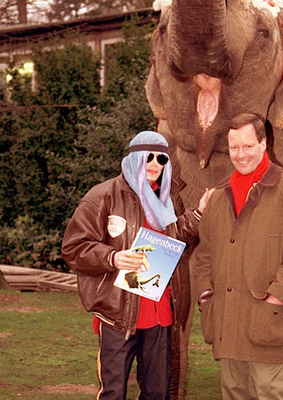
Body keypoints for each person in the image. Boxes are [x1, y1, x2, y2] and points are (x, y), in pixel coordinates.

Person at [61, 130, 212, 400]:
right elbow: (74, 247)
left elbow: (175, 239)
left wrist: (198, 213)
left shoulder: (167, 198)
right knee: (114, 392)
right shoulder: (103, 196)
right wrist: (113, 257)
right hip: (118, 316)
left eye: (161, 159)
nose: (155, 164)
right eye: (148, 157)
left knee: (157, 392)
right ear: (133, 159)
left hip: (160, 313)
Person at [194, 113, 283, 400]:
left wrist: (278, 296)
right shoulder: (218, 194)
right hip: (227, 319)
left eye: (248, 146)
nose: (241, 154)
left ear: (263, 144)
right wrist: (205, 294)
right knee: (234, 393)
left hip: (269, 319)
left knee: (269, 393)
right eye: (234, 147)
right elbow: (204, 253)